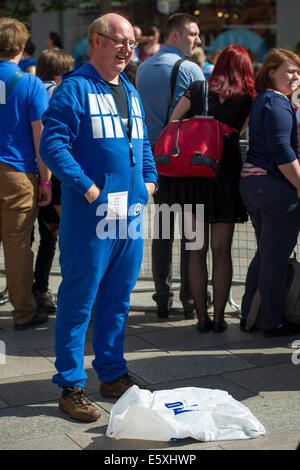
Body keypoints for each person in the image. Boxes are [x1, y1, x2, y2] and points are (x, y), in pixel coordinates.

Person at [39, 13, 158, 423]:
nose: (129, 49)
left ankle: (111, 373)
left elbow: (141, 145)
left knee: (118, 298)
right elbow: (52, 145)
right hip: (91, 215)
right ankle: (70, 386)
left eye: (133, 42)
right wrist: (89, 189)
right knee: (77, 302)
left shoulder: (130, 88)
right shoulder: (74, 89)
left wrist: (150, 183)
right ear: (98, 41)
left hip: (129, 214)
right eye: (121, 41)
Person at [170, 45, 256, 332]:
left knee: (196, 250)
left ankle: (201, 319)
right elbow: (240, 132)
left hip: (194, 176)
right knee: (222, 251)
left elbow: (173, 124)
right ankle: (219, 319)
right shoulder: (248, 98)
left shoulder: (197, 89)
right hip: (225, 177)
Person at [136, 13, 204, 321]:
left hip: (155, 161)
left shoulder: (143, 67)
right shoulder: (191, 69)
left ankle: (162, 299)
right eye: (192, 33)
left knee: (162, 232)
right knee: (193, 234)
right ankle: (191, 298)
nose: (197, 40)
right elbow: (204, 117)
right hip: (186, 162)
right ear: (174, 36)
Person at [239, 48, 300, 337]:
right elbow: (282, 150)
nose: (296, 76)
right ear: (271, 72)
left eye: (298, 72)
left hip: (255, 184)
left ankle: (250, 315)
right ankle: (272, 322)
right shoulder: (276, 103)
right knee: (274, 257)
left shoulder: (265, 100)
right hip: (275, 189)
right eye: (290, 71)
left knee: (265, 254)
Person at [0, 17, 51, 330]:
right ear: (21, 47)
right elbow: (40, 137)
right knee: (18, 244)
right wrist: (45, 179)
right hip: (17, 173)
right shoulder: (30, 84)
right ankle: (23, 312)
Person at [32, 49, 74, 314]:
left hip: (30, 172)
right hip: (52, 176)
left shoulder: (36, 88)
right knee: (59, 235)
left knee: (39, 236)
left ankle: (35, 289)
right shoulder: (56, 93)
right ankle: (44, 290)